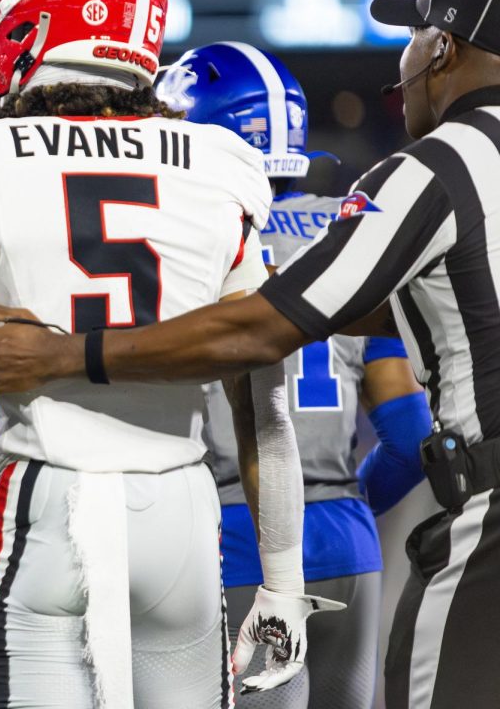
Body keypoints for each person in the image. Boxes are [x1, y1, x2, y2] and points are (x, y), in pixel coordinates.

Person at [0, 0, 500, 709]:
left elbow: (264, 328)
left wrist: (64, 351)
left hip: (346, 513)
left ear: (441, 49)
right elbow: (391, 354)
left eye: (413, 39)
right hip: (339, 531)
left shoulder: (436, 167)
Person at [0, 0, 337, 709]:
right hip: (181, 509)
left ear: (29, 24)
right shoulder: (221, 162)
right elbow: (264, 405)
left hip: (47, 503)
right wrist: (283, 583)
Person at [158, 41, 433, 707]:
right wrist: (345, 505)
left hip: (235, 529)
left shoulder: (191, 239)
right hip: (346, 537)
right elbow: (407, 432)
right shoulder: (349, 230)